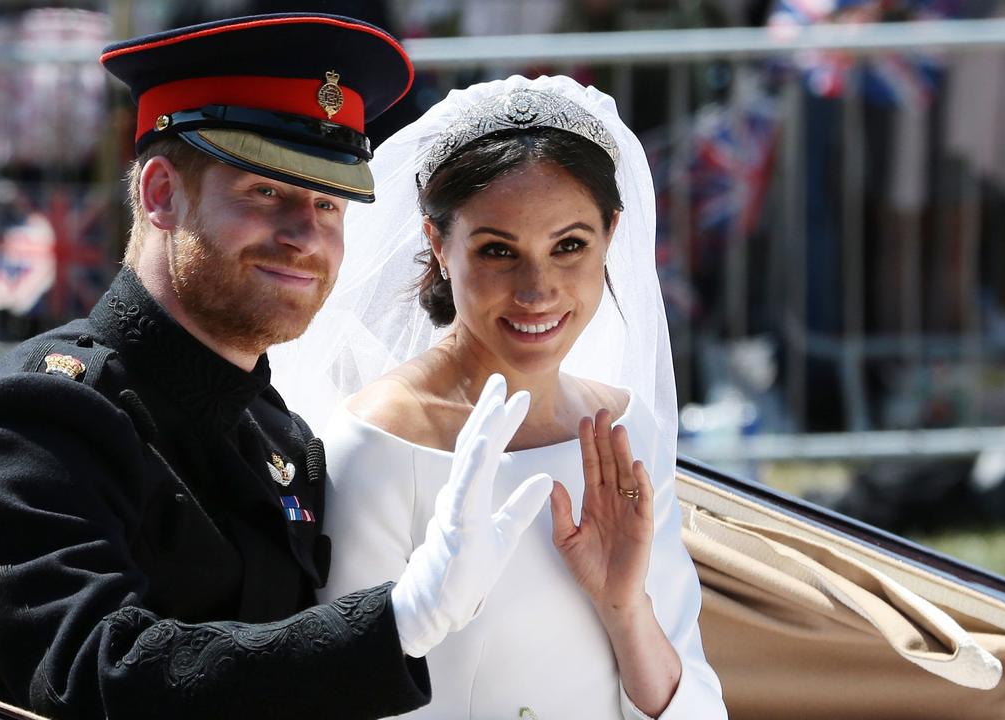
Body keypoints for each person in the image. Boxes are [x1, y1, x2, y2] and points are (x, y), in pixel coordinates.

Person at [0, 15, 555, 719]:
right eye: (266, 193)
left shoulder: (277, 434)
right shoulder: (29, 423)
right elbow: (98, 680)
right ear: (160, 194)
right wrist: (401, 620)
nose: (306, 237)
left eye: (329, 204)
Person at [270, 75, 728, 718]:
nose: (537, 290)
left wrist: (626, 610)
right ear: (438, 244)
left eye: (569, 245)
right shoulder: (378, 443)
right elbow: (352, 695)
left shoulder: (626, 430)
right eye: (497, 251)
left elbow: (697, 701)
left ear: (610, 236)